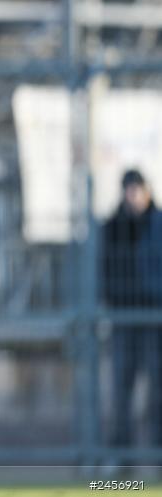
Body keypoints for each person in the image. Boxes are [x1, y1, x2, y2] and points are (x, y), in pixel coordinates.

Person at [101, 169, 162, 453]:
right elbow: (105, 272)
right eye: (128, 189)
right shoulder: (113, 226)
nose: (132, 195)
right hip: (124, 317)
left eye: (137, 188)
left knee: (157, 392)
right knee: (121, 391)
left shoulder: (157, 224)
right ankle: (121, 457)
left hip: (155, 319)